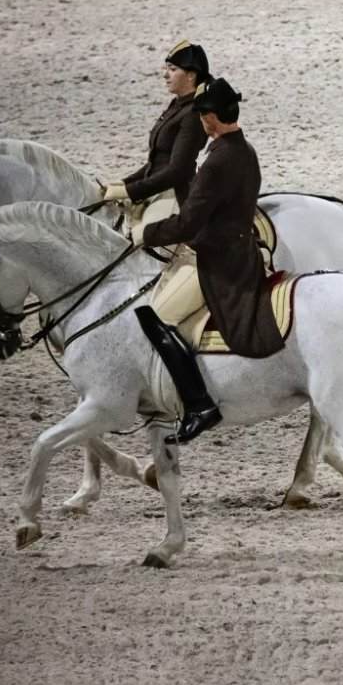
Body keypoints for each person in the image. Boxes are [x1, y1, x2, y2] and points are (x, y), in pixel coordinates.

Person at [131, 77, 280, 445]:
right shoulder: (244, 150)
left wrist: (144, 234)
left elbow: (188, 222)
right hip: (241, 248)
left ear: (211, 117)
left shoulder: (218, 161)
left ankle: (199, 404)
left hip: (218, 260)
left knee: (156, 316)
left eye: (201, 115)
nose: (200, 121)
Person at [97, 40, 210, 231]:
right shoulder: (177, 106)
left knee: (146, 241)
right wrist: (125, 182)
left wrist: (130, 190)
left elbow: (177, 170)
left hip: (173, 195)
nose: (165, 74)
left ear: (191, 75)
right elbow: (157, 161)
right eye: (166, 68)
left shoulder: (192, 114)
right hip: (155, 189)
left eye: (173, 69)